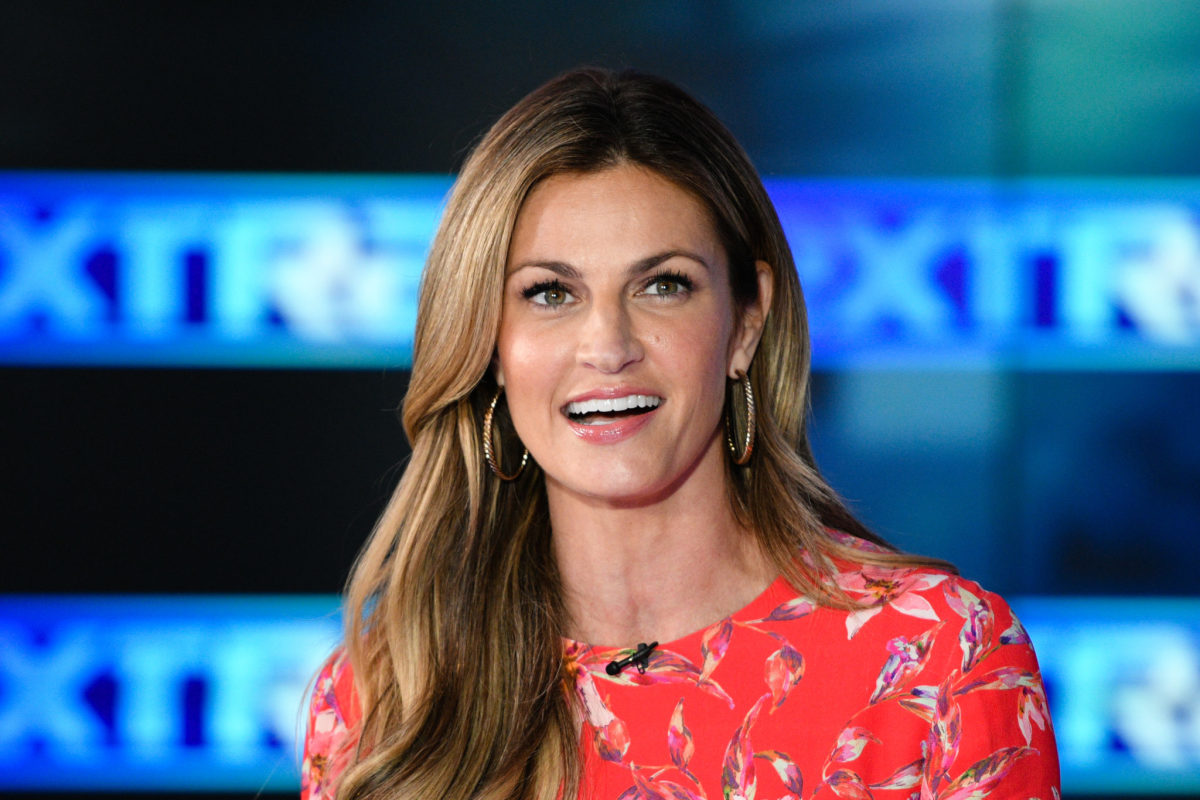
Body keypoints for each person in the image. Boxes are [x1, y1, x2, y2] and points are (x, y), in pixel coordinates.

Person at [301, 68, 1059, 800]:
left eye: (663, 286)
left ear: (745, 323)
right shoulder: (388, 699)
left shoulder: (939, 658)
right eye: (550, 293)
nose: (607, 344)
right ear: (490, 347)